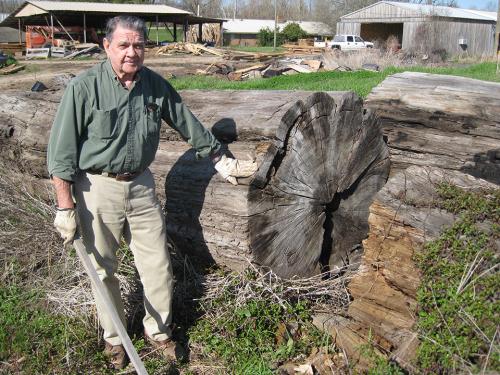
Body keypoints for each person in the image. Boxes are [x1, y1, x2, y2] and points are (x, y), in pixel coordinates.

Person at [47, 15, 257, 369]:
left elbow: (187, 122)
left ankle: (158, 333)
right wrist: (64, 207)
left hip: (141, 187)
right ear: (107, 47)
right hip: (97, 187)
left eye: (139, 45)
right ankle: (115, 339)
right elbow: (61, 153)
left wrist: (220, 160)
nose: (132, 53)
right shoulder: (84, 88)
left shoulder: (155, 86)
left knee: (158, 265)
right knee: (103, 269)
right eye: (124, 45)